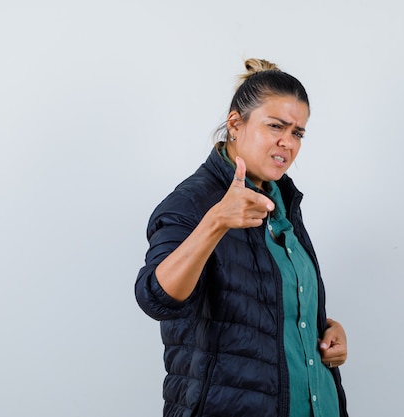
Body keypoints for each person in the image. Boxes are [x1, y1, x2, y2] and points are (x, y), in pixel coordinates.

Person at [135, 58, 348, 417]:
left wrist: (326, 330)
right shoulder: (191, 203)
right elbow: (155, 299)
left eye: (297, 132)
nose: (288, 142)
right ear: (236, 123)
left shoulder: (282, 201)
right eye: (275, 126)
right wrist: (215, 222)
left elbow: (267, 309)